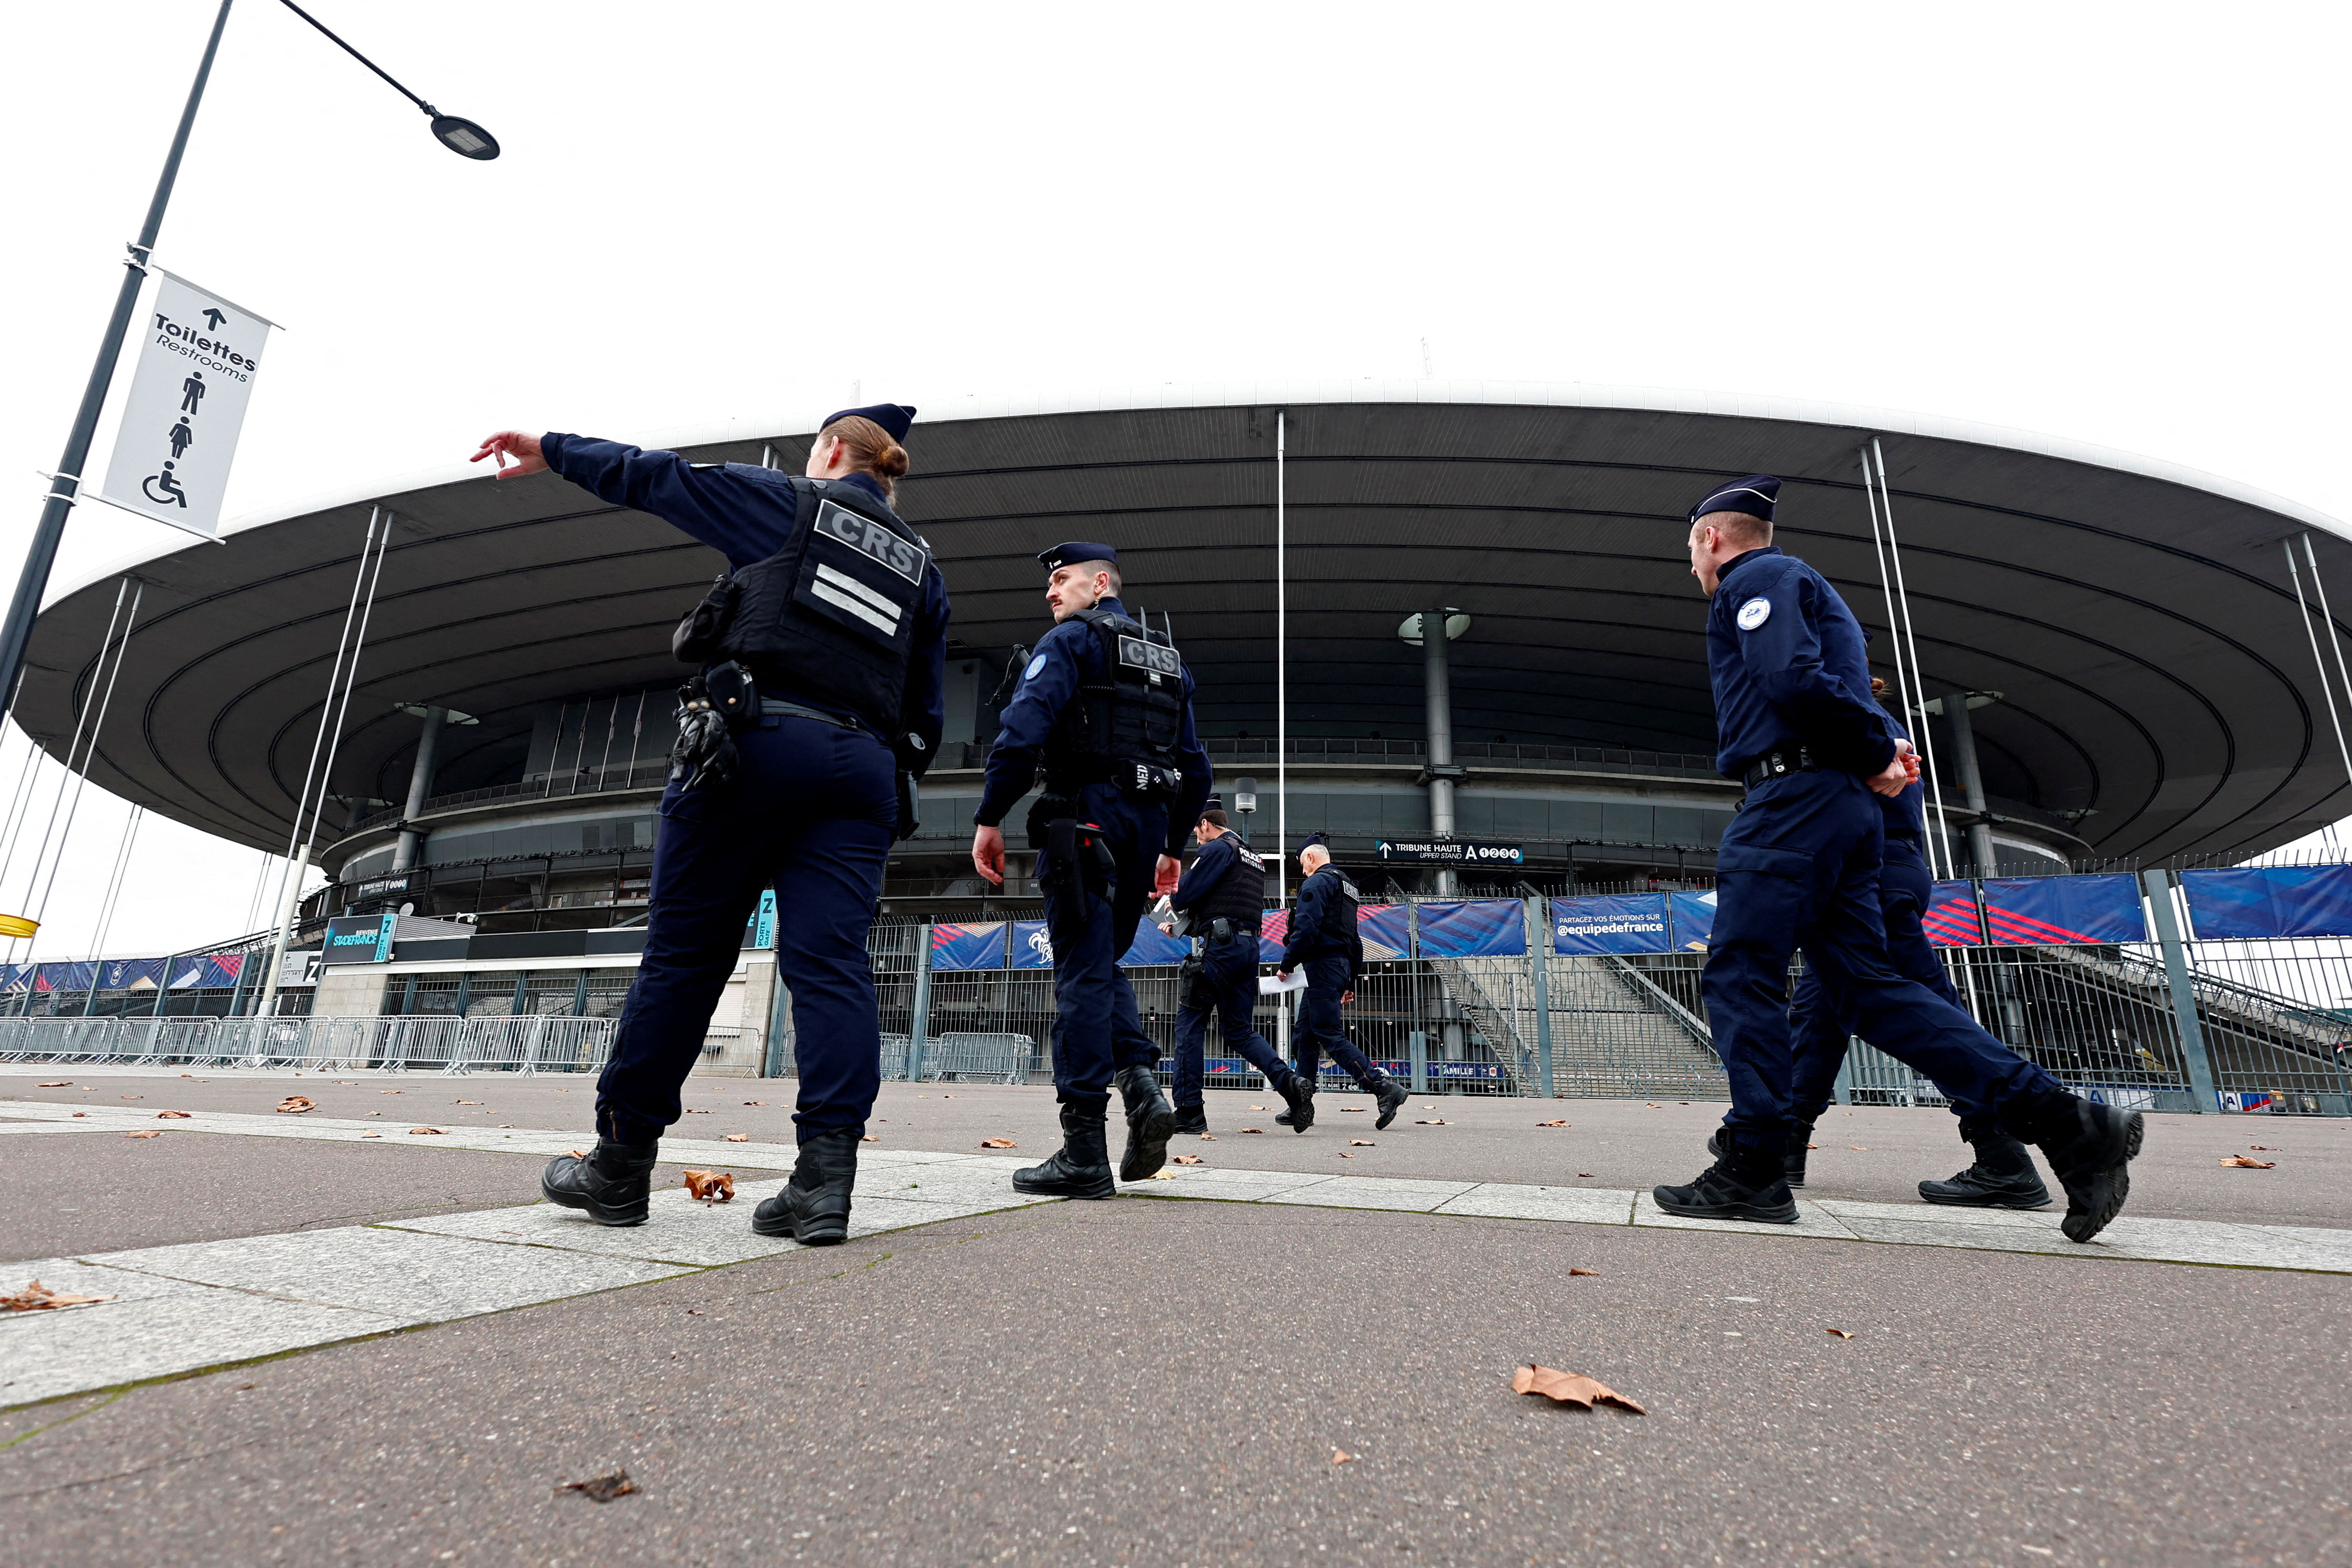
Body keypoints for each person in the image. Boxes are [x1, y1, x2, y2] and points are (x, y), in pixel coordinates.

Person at [470, 405, 947, 1243]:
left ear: (833, 451)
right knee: (832, 966)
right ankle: (822, 1182)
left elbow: (659, 477)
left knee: (687, 960)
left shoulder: (792, 503)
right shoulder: (923, 569)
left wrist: (550, 449)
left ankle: (619, 1166)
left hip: (754, 747)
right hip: (863, 771)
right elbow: (926, 713)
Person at [1662, 474, 2140, 1242]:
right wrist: (1872, 745)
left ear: (1712, 538)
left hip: (1792, 800)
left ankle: (1754, 1162)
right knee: (1869, 990)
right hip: (1842, 810)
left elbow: (1786, 676)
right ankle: (2068, 1124)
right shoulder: (1808, 590)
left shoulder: (1758, 578)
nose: (1692, 566)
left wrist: (1874, 743)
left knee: (1740, 968)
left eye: (1690, 548)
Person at [971, 544, 1211, 1194]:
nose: (1051, 594)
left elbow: (1022, 729)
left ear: (1099, 583)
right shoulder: (1168, 659)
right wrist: (1171, 847)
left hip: (1083, 822)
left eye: (1061, 580)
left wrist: (990, 816)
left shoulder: (1072, 642)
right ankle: (1141, 1092)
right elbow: (1198, 770)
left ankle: (1082, 1151)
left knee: (1079, 976)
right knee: (1101, 963)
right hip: (1140, 833)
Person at [1776, 678, 2051, 1209]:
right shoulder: (1877, 724)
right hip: (1885, 869)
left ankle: (2006, 1153)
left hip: (1871, 871)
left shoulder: (1857, 724)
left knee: (1923, 1007)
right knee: (1820, 1009)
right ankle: (1782, 1144)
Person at [1165, 804, 1297, 1134]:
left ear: (1207, 824)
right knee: (1239, 1031)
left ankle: (1189, 1112)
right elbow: (1228, 904)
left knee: (1189, 1026)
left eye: (1197, 831)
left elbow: (1184, 896)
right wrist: (1185, 928)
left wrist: (1173, 906)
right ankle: (1291, 1086)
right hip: (1247, 949)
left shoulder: (1216, 849)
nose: (1196, 838)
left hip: (1220, 951)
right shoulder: (1250, 856)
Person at [1276, 836, 1408, 1131]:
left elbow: (1306, 928)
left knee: (1328, 1034)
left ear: (1311, 858)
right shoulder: (1347, 888)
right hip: (1336, 968)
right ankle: (1300, 1103)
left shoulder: (1318, 883)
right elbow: (1355, 940)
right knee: (1304, 1038)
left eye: (1303, 865)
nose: (1304, 872)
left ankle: (1383, 1088)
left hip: (1322, 968)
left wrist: (1286, 964)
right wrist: (1349, 981)